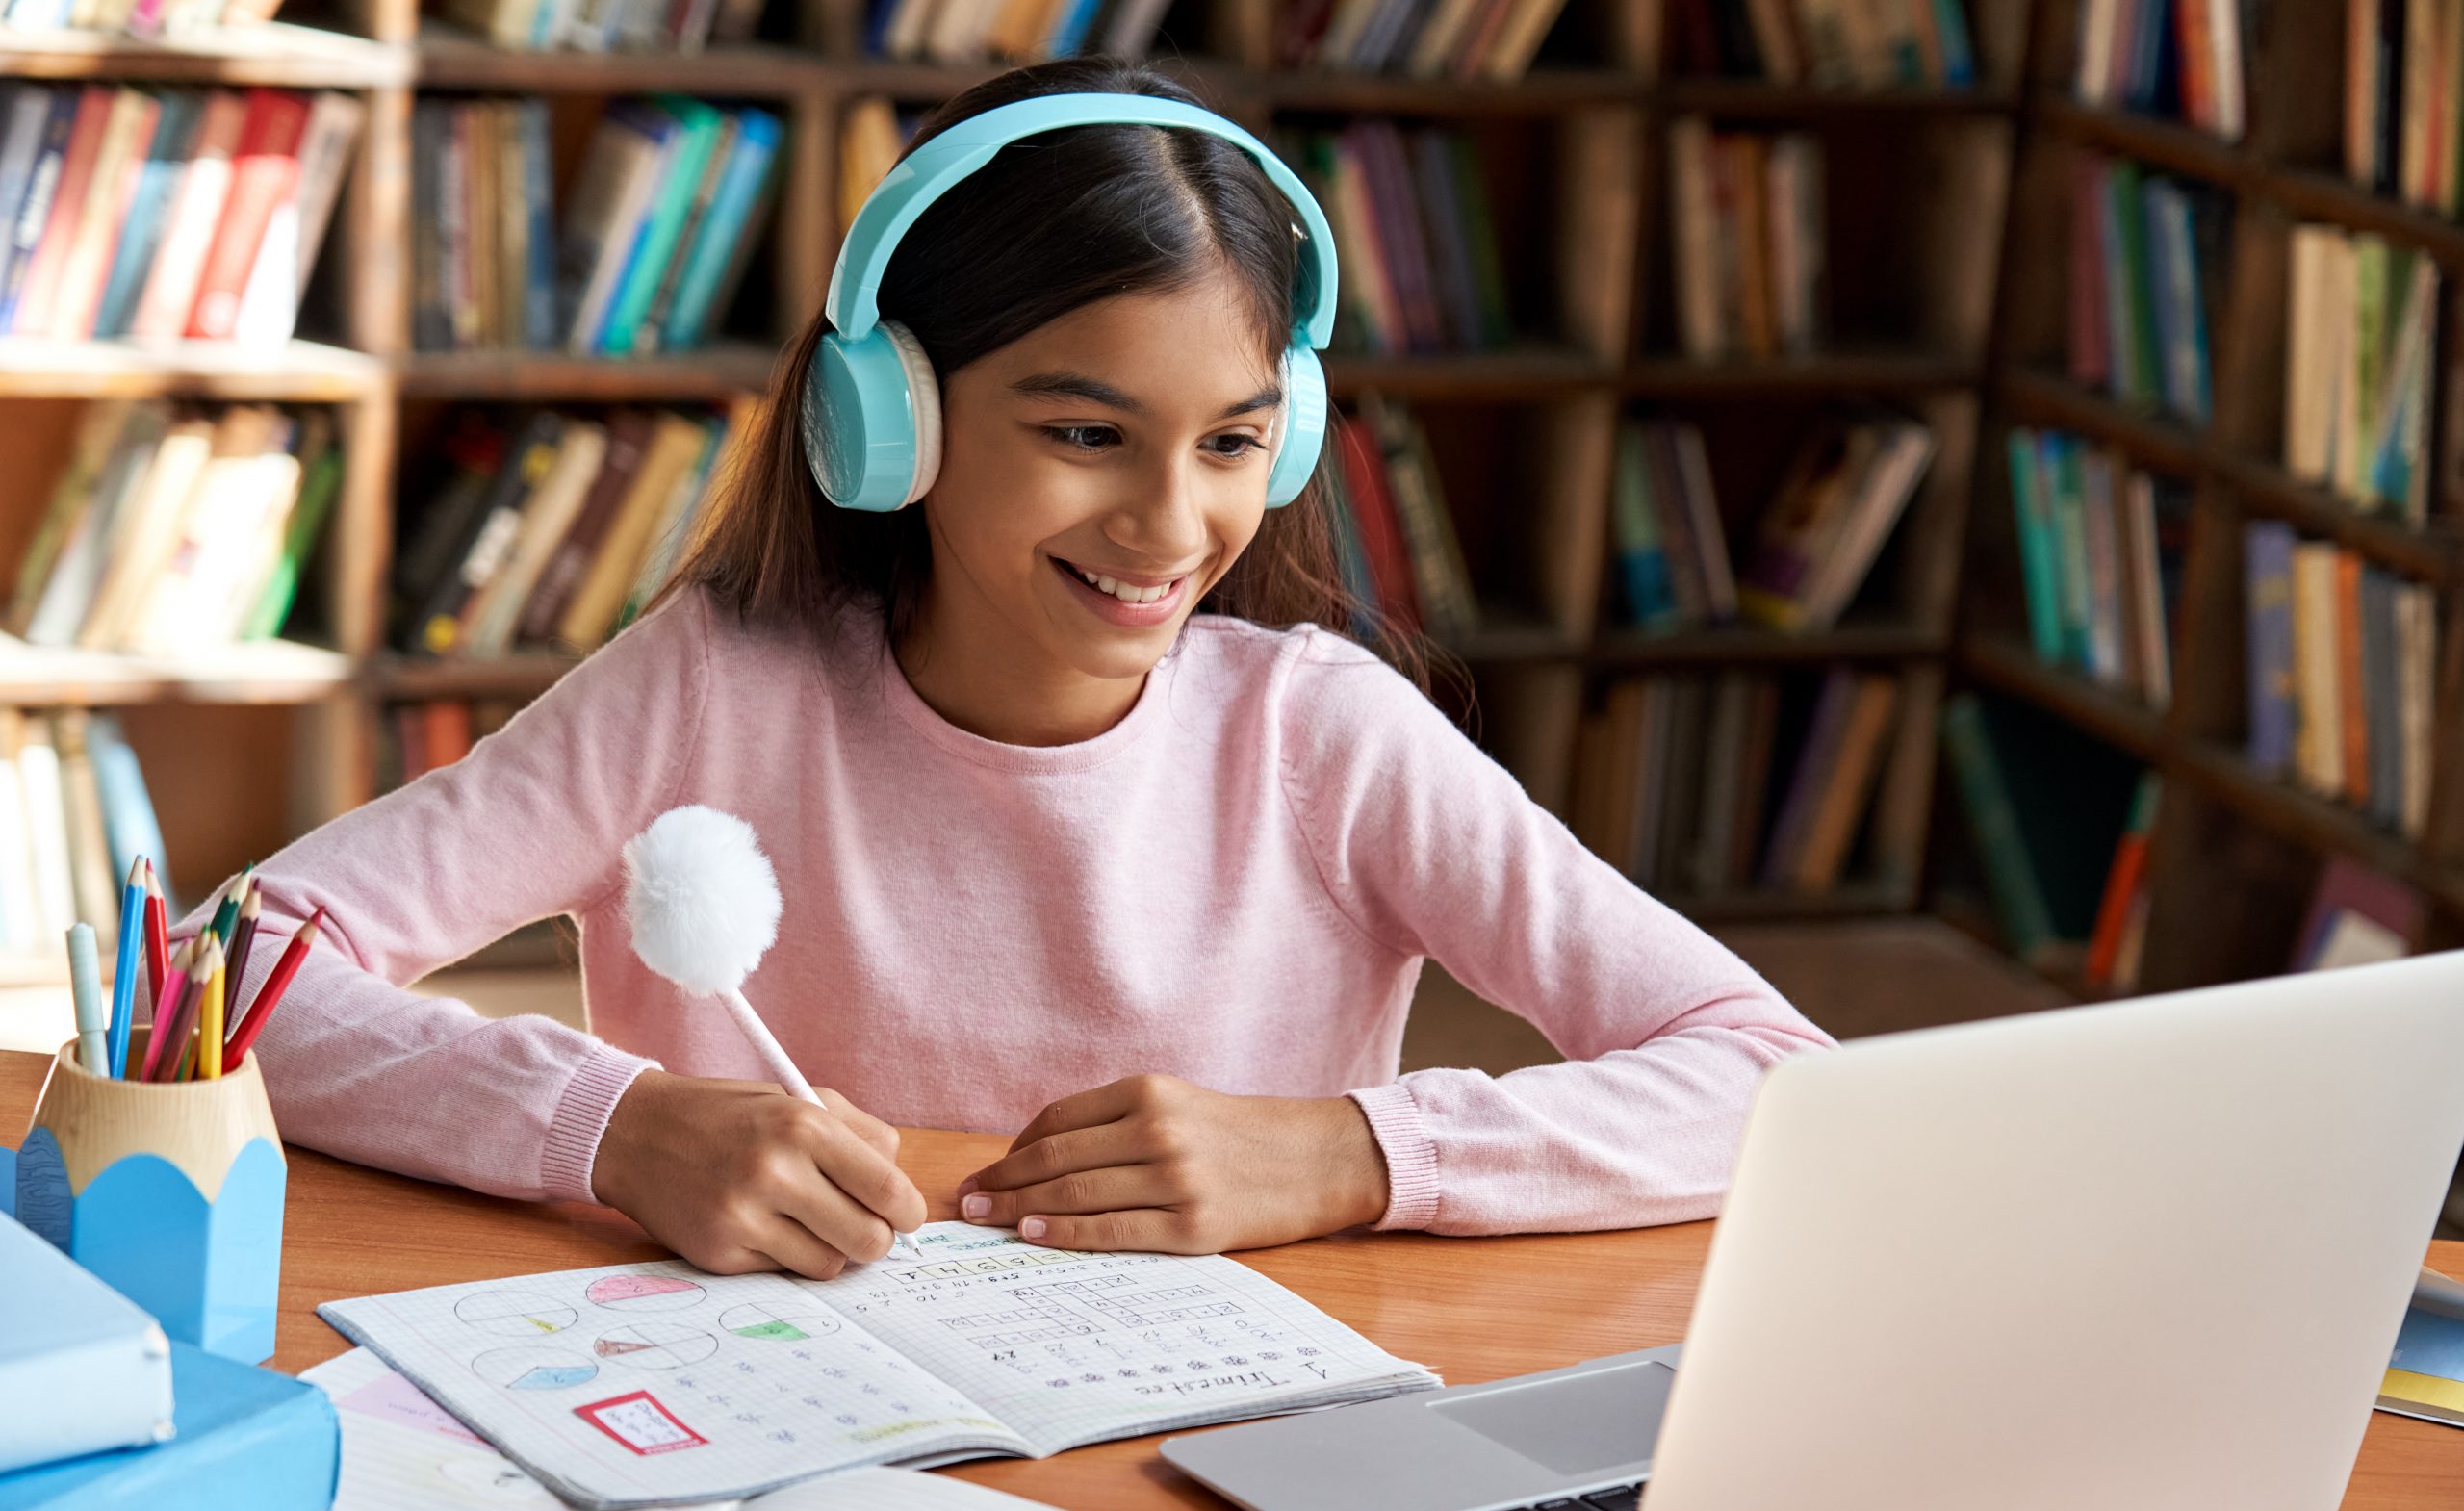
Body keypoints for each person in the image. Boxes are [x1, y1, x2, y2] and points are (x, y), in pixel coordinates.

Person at [175, 56, 1833, 1282]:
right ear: (887, 418)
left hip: (1217, 1439)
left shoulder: (1324, 738)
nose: (1172, 523)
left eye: (1234, 440)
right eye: (1083, 432)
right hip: (785, 1428)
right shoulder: (711, 691)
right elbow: (219, 981)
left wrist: (1352, 1151)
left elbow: (1769, 1075)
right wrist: (607, 1123)